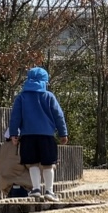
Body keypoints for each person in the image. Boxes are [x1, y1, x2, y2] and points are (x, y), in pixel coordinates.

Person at [7, 66, 69, 198]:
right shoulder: (49, 96)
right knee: (48, 164)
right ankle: (49, 191)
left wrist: (13, 134)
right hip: (47, 135)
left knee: (32, 163)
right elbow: (58, 115)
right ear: (45, 81)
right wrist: (63, 133)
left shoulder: (21, 97)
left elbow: (15, 117)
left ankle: (36, 189)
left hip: (28, 136)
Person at [0, 131, 34, 198]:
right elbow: (32, 165)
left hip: (7, 187)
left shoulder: (4, 146)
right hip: (22, 185)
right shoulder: (21, 146)